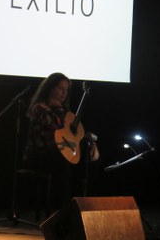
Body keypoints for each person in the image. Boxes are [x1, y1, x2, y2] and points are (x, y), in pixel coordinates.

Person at [22, 72, 100, 214]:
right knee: (65, 166)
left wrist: (91, 143)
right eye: (60, 88)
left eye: (66, 90)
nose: (64, 93)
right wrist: (58, 108)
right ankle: (62, 212)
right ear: (50, 89)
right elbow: (56, 125)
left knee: (87, 164)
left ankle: (82, 208)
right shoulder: (39, 107)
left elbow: (73, 132)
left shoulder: (64, 109)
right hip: (39, 155)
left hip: (56, 152)